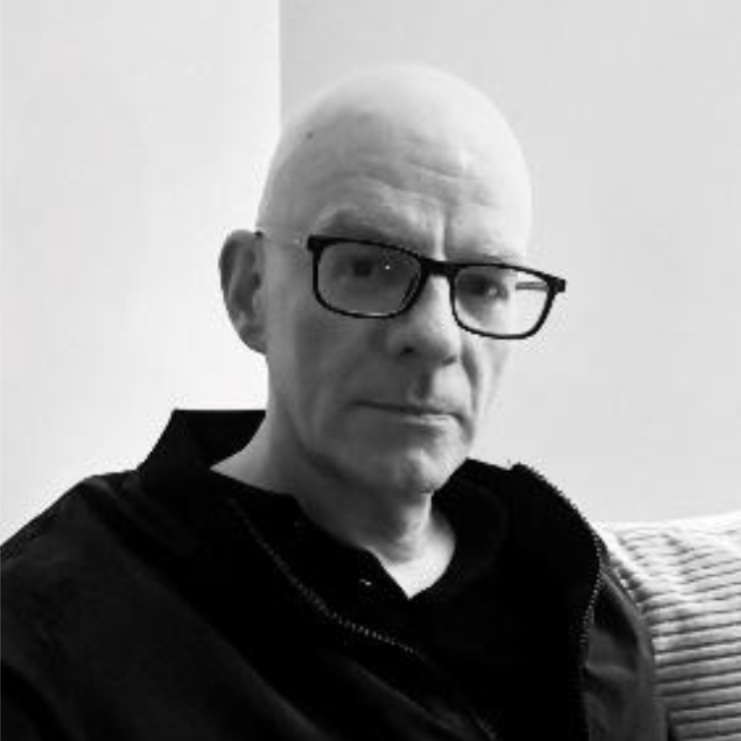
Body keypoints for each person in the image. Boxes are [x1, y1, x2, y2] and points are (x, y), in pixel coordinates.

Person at [2, 65, 674, 740]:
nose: (437, 336)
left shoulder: (576, 588)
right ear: (250, 290)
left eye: (483, 285)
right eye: (368, 266)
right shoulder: (55, 623)